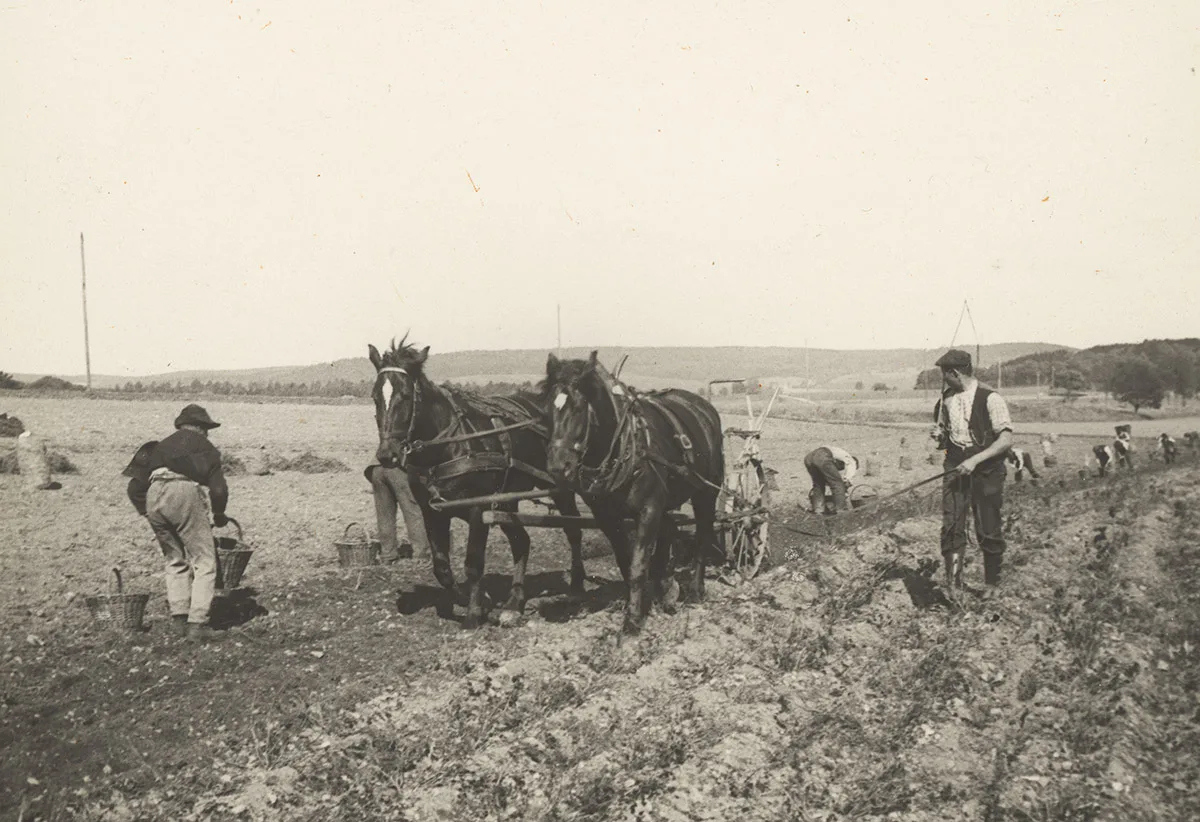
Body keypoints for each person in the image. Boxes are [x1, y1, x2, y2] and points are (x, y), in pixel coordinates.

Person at [124, 404, 229, 642]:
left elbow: (133, 487)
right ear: (202, 428)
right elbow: (219, 488)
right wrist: (220, 514)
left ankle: (179, 619)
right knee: (204, 560)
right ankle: (198, 624)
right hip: (182, 491)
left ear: (181, 425)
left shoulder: (157, 447)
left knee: (174, 559)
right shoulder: (206, 448)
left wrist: (147, 512)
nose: (208, 433)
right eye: (207, 428)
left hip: (153, 495)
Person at [929, 349, 1013, 590]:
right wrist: (940, 437)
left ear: (954, 373)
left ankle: (992, 586)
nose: (943, 379)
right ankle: (954, 586)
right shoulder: (946, 399)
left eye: (944, 374)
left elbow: (1005, 441)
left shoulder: (991, 398)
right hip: (955, 469)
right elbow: (946, 440)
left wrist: (975, 461)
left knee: (988, 527)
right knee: (952, 525)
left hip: (987, 471)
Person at [804, 445, 857, 514]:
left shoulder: (837, 456)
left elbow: (827, 477)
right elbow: (848, 476)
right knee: (838, 484)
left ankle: (818, 510)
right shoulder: (851, 460)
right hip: (822, 455)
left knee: (818, 484)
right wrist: (846, 482)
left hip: (809, 458)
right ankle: (841, 511)